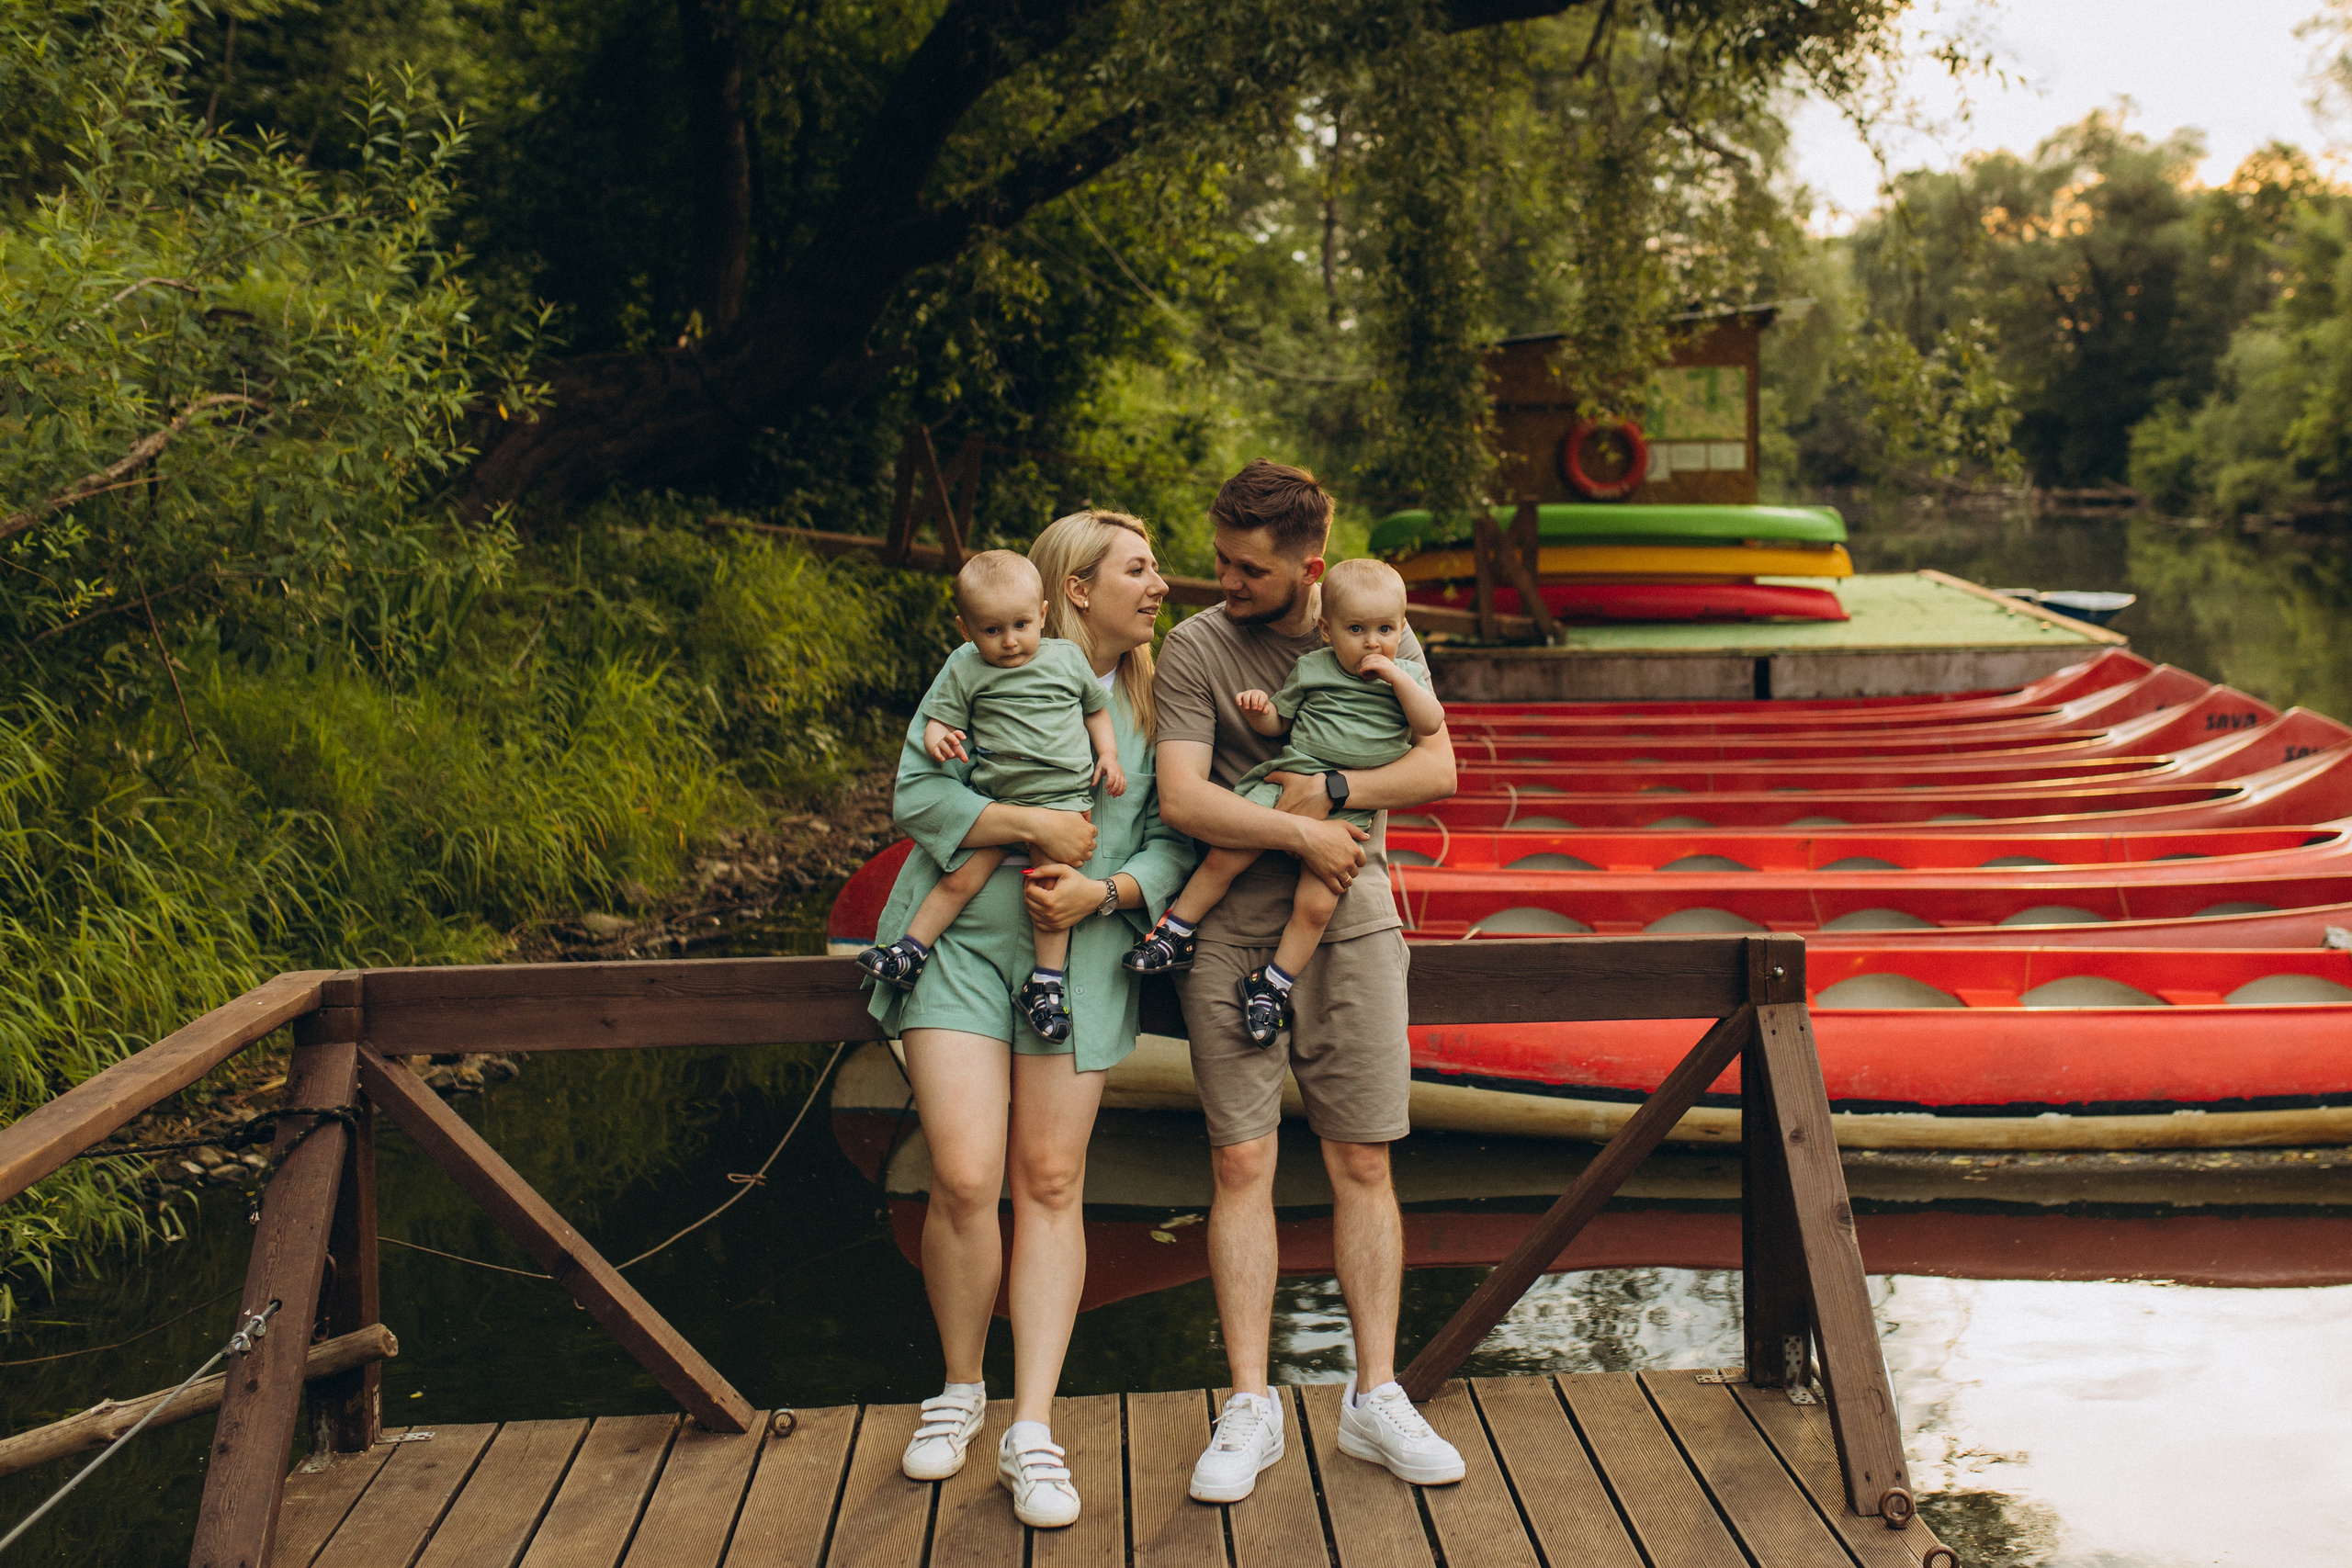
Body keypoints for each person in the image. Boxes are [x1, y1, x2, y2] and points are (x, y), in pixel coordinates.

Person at [860, 511, 1196, 1529]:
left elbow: (1173, 846)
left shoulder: (1149, 703)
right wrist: (1028, 824)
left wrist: (1107, 895)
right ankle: (958, 1388)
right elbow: (915, 794)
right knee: (963, 1173)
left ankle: (1032, 1424)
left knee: (1049, 1180)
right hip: (958, 950)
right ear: (1076, 590)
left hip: (1077, 955)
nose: (1161, 589)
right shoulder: (975, 667)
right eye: (1141, 571)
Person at [1151, 460, 1467, 1503]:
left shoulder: (1376, 623)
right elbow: (1188, 802)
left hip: (1355, 918)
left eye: (1247, 569)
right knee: (1241, 1165)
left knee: (1362, 1162)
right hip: (1236, 925)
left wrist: (1332, 788)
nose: (1224, 581)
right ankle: (1251, 1404)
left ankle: (1374, 1397)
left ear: (1311, 571)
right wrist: (1301, 828)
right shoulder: (1196, 646)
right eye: (1220, 561)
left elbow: (1438, 773)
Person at [1123, 558, 1442, 1048]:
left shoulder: (1404, 674)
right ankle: (1176, 930)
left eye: (1385, 629)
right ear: (1327, 630)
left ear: (1402, 627)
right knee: (1227, 854)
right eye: (1356, 630)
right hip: (1286, 780)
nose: (1372, 642)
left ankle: (1271, 983)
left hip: (1348, 814)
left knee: (1315, 905)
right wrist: (1259, 710)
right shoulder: (1312, 668)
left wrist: (1397, 678)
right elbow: (1280, 722)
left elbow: (1429, 725)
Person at [856, 549, 1126, 1044]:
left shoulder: (1065, 659)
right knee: (960, 878)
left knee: (1049, 892)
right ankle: (910, 951)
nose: (1009, 642)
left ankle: (1046, 982)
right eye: (992, 631)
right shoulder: (966, 667)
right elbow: (942, 715)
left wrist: (1107, 756)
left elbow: (1095, 712)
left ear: (1044, 614)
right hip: (996, 797)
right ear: (966, 629)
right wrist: (938, 735)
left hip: (1063, 801)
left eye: (1021, 625)